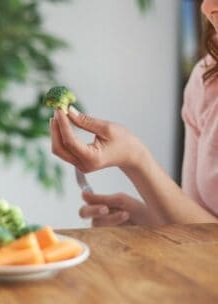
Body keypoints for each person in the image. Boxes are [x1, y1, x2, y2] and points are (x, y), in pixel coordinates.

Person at [49, 0, 218, 226]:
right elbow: (201, 232)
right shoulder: (207, 79)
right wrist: (143, 222)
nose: (207, 7)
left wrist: (136, 159)